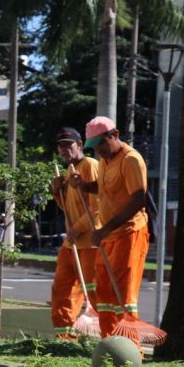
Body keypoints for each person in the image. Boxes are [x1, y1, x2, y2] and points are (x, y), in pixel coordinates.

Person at [68, 116, 150, 339]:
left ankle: (130, 349)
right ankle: (110, 344)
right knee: (103, 291)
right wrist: (84, 186)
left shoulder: (131, 160)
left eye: (101, 145)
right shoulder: (105, 160)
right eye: (94, 148)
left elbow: (138, 199)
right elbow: (104, 188)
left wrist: (104, 229)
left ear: (115, 135)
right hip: (108, 234)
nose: (99, 152)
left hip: (129, 233)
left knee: (123, 295)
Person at [48, 127, 101, 339]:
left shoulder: (90, 166)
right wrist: (56, 191)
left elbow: (97, 209)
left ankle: (109, 335)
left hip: (90, 244)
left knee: (94, 291)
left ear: (79, 144)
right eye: (60, 146)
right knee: (62, 289)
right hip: (72, 244)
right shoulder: (69, 170)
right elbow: (70, 210)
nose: (64, 149)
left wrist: (77, 229)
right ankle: (64, 338)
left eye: (68, 145)